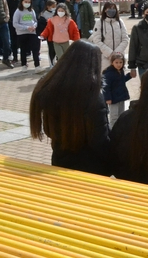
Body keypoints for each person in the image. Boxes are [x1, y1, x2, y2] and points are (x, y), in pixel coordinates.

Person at [29, 41, 110, 176]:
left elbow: (48, 130)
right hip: (91, 167)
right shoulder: (93, 97)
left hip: (60, 158)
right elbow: (100, 140)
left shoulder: (51, 88)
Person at [89, 2, 129, 68]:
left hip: (119, 59)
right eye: (109, 8)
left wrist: (116, 53)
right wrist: (110, 53)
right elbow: (97, 41)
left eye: (113, 8)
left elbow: (125, 39)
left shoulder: (120, 22)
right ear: (105, 10)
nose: (112, 10)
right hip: (105, 59)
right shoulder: (99, 23)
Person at [11, 0, 45, 72]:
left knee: (35, 49)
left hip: (32, 32)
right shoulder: (18, 11)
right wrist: (26, 27)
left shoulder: (31, 10)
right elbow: (15, 24)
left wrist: (34, 26)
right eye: (25, 2)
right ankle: (23, 65)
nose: (27, 4)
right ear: (22, 2)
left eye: (29, 2)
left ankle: (37, 66)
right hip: (22, 33)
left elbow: (35, 21)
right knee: (23, 49)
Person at [102, 53, 132, 127]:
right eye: (116, 62)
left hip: (121, 96)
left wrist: (129, 76)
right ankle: (112, 131)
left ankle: (119, 130)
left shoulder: (120, 71)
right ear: (112, 62)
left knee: (121, 115)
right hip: (113, 98)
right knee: (114, 116)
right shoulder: (108, 74)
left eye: (121, 62)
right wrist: (108, 98)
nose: (119, 64)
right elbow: (106, 87)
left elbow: (121, 80)